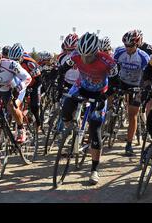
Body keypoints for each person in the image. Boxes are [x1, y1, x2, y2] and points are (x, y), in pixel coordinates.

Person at [58, 32, 118, 185]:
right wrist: (59, 88)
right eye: (82, 55)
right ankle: (71, 129)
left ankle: (94, 169)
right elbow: (62, 70)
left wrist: (105, 97)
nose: (85, 59)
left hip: (99, 92)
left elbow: (115, 82)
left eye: (89, 56)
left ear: (96, 52)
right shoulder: (76, 55)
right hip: (81, 87)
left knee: (95, 129)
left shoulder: (107, 61)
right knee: (65, 107)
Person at [112, 30, 150, 156]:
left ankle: (128, 144)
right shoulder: (118, 52)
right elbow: (112, 68)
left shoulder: (143, 57)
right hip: (122, 81)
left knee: (132, 114)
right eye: (126, 46)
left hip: (136, 84)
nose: (128, 48)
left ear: (136, 45)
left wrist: (143, 89)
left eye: (131, 46)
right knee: (108, 97)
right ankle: (108, 119)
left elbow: (147, 76)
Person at [8, 43, 43, 130]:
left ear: (21, 57)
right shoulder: (8, 63)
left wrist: (30, 89)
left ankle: (38, 123)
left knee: (34, 106)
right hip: (20, 83)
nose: (14, 62)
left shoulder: (29, 63)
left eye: (16, 60)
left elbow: (38, 79)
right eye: (12, 60)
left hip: (34, 83)